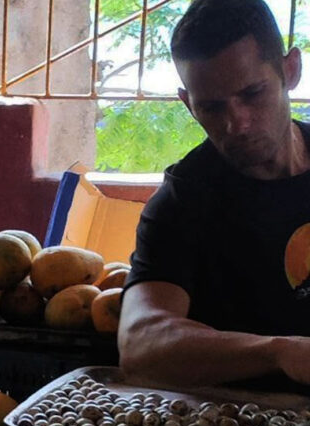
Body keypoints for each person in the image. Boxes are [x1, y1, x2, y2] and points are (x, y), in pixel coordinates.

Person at [119, 0, 310, 388]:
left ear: (290, 70)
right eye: (211, 107)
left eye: (253, 94)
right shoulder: (183, 201)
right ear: (188, 104)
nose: (237, 123)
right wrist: (280, 352)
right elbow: (140, 344)